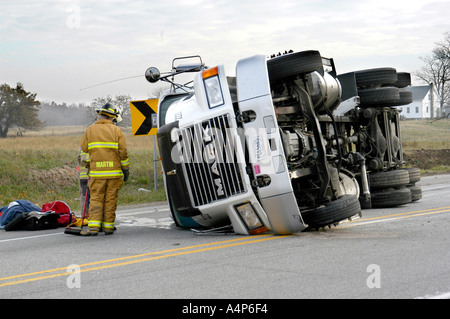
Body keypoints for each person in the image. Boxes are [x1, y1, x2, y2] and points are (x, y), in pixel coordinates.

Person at [79, 103, 130, 236]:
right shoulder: (116, 131)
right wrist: (126, 170)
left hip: (97, 174)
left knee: (96, 199)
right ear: (111, 117)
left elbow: (84, 150)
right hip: (114, 174)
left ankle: (94, 228)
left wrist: (88, 164)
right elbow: (123, 152)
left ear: (100, 116)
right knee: (110, 200)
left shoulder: (90, 130)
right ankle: (108, 227)